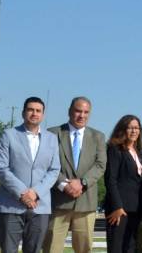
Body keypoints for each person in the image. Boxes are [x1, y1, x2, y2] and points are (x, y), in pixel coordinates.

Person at [0, 96, 62, 253]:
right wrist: (22, 193)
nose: (34, 113)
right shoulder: (8, 135)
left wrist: (35, 192)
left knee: (34, 250)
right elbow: (1, 168)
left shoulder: (52, 139)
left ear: (43, 115)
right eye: (31, 110)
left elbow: (54, 170)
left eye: (38, 111)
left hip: (40, 206)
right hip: (11, 205)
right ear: (23, 113)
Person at [44, 97, 107, 253]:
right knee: (51, 248)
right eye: (78, 111)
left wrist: (82, 182)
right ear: (70, 111)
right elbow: (44, 163)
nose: (82, 115)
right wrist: (63, 184)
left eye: (86, 112)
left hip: (85, 203)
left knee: (84, 249)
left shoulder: (98, 137)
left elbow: (100, 165)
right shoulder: (53, 133)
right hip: (58, 202)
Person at [104, 115, 142, 253]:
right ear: (123, 129)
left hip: (135, 208)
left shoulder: (141, 152)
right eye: (130, 128)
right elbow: (111, 179)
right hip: (119, 209)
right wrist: (117, 206)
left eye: (136, 128)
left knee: (130, 247)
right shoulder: (115, 149)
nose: (134, 131)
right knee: (117, 247)